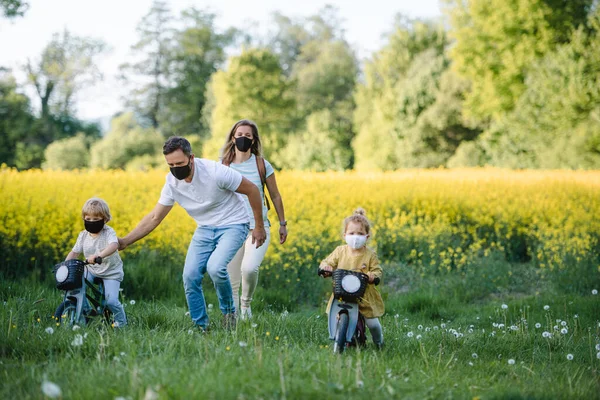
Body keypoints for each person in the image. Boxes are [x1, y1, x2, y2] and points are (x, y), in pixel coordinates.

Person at [118, 136, 266, 331]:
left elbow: (253, 190)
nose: (175, 168)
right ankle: (201, 327)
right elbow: (155, 217)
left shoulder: (216, 172)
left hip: (234, 224)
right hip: (205, 228)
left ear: (191, 158)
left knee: (215, 268)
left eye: (179, 163)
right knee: (190, 276)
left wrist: (259, 226)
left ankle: (229, 314)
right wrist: (125, 241)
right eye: (170, 164)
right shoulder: (172, 183)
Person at [220, 119, 288, 320]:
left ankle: (246, 305)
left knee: (249, 268)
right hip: (231, 227)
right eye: (239, 134)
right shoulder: (222, 165)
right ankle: (231, 320)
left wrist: (282, 224)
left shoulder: (261, 165)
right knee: (231, 278)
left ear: (254, 140)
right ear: (233, 138)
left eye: (247, 136)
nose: (243, 138)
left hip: (258, 227)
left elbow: (275, 195)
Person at [319, 208, 384, 348]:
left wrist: (373, 276)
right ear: (345, 235)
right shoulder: (340, 251)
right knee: (336, 319)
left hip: (364, 296)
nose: (355, 237)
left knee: (373, 324)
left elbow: (377, 270)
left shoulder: (370, 255)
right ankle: (339, 341)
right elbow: (327, 262)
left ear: (367, 236)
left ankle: (379, 343)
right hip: (342, 293)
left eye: (360, 233)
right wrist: (326, 268)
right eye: (352, 233)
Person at [66, 197, 127, 327]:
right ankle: (87, 311)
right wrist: (65, 265)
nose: (91, 222)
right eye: (88, 219)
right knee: (76, 284)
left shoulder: (108, 232)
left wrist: (99, 255)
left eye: (96, 219)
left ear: (105, 219)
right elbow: (74, 252)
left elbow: (114, 245)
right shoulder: (83, 235)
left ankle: (121, 323)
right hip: (92, 270)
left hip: (111, 272)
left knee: (111, 301)